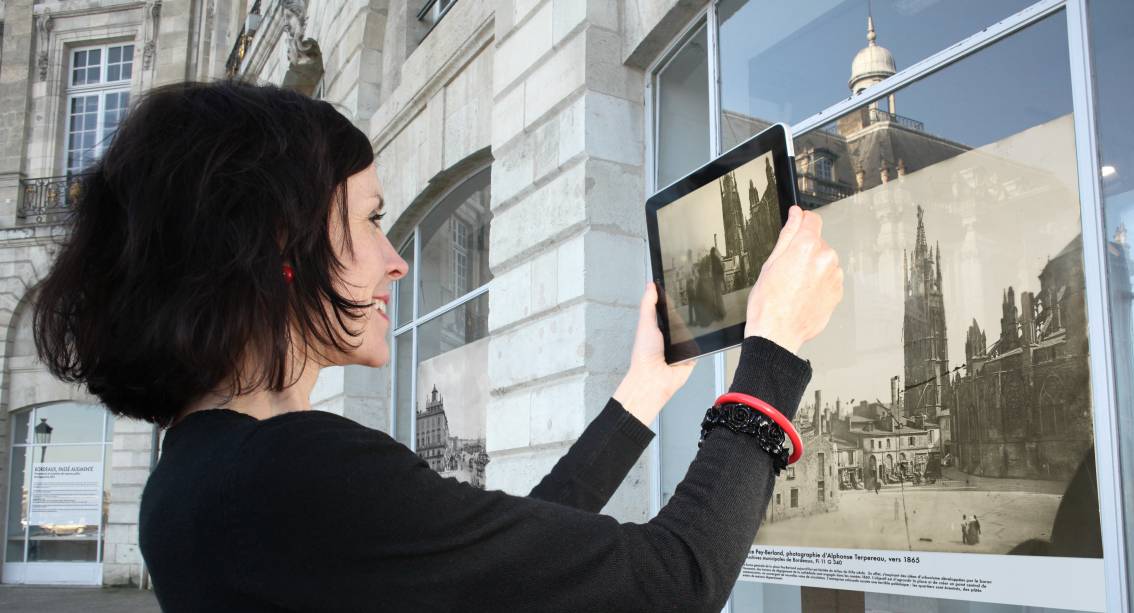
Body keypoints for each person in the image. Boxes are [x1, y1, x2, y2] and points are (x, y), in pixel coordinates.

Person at [30, 80, 843, 613]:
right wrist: (771, 356)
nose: (397, 258)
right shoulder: (292, 472)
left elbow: (498, 562)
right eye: (372, 217)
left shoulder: (201, 471)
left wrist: (639, 395)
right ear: (281, 247)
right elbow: (673, 583)